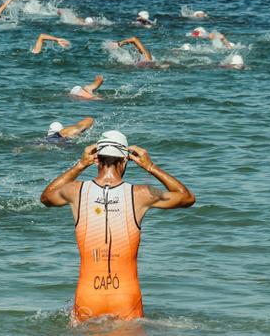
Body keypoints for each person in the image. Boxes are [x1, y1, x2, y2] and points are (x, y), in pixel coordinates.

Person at [40, 131, 195, 323]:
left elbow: (46, 197)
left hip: (89, 295)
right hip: (125, 295)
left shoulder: (75, 191)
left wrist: (80, 165)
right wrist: (150, 166)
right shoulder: (142, 193)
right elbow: (187, 197)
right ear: (125, 161)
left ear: (96, 159)